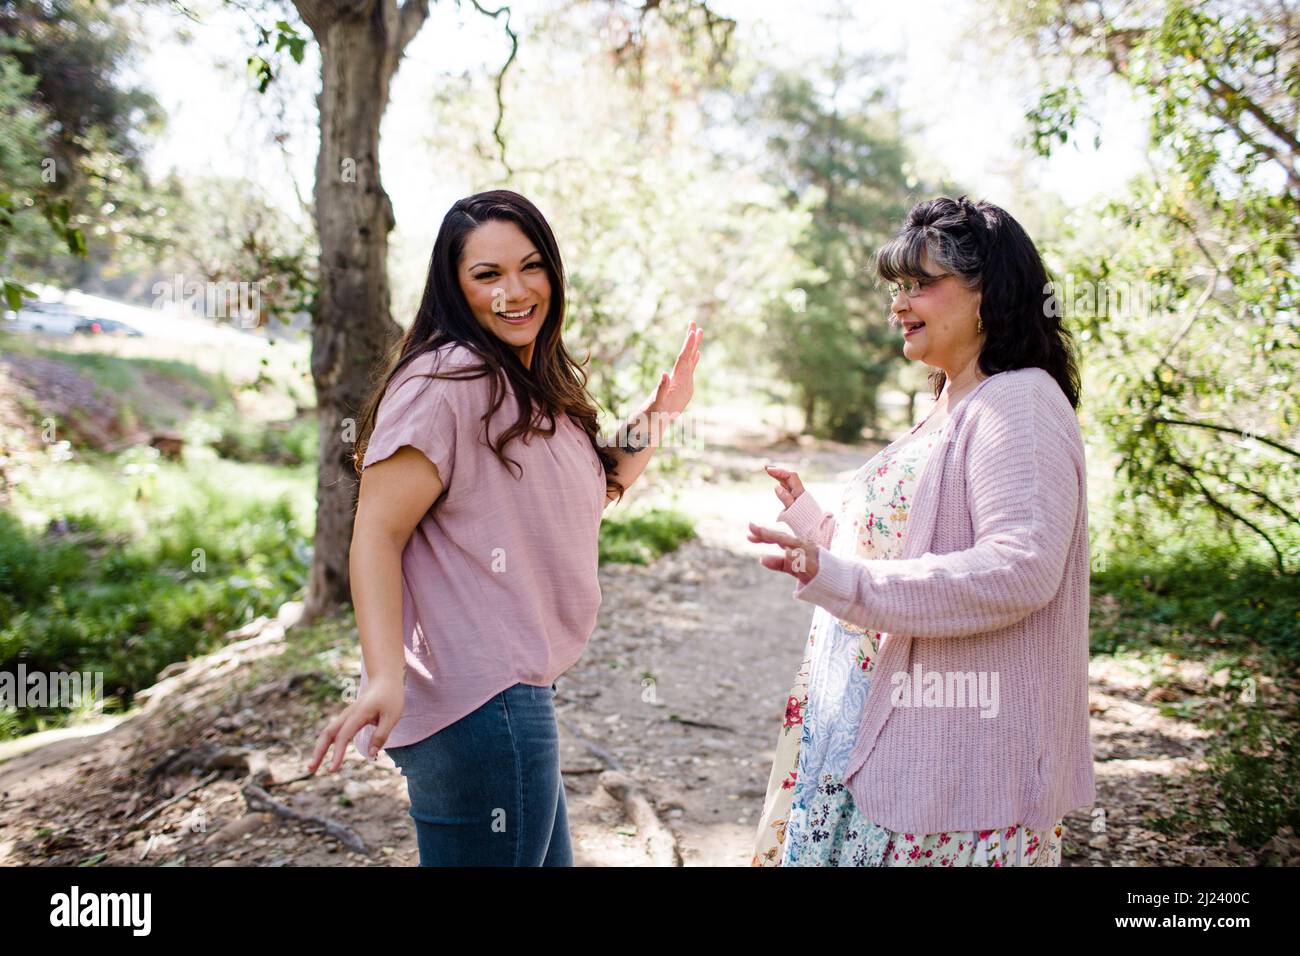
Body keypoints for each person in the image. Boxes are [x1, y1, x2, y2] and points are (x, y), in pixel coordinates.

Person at [305, 189, 702, 866]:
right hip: (477, 704)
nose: (515, 292)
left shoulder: (526, 383)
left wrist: (661, 414)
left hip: (515, 698)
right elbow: (376, 533)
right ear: (455, 288)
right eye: (487, 275)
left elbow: (584, 490)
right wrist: (381, 674)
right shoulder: (443, 383)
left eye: (530, 267)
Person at [748, 195, 1094, 866]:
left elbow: (1018, 567)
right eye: (897, 288)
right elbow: (908, 553)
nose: (899, 304)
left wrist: (838, 577)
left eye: (921, 284)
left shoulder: (1017, 402)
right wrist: (815, 530)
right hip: (875, 734)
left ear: (989, 292)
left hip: (951, 771)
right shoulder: (950, 399)